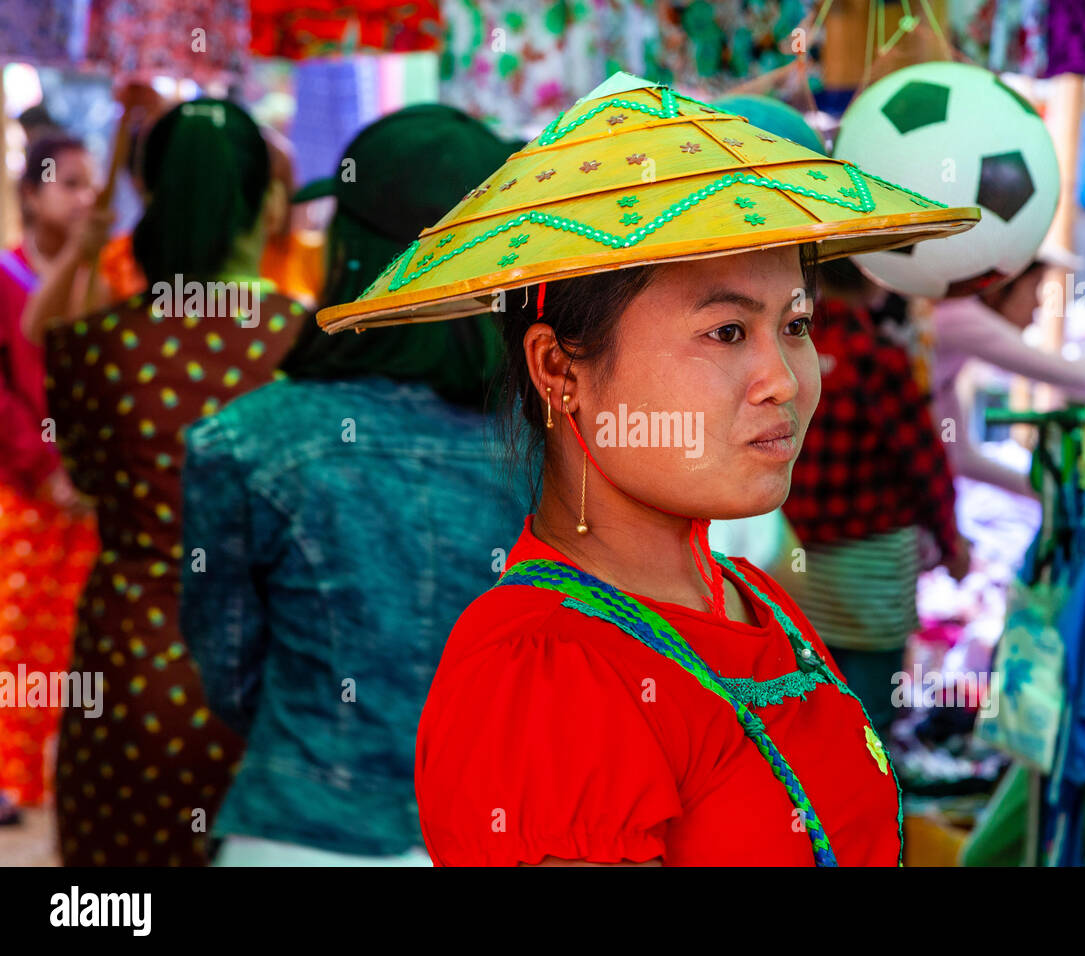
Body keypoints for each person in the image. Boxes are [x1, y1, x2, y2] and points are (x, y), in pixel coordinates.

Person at [316, 72, 979, 865]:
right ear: (560, 370)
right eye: (728, 332)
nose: (788, 379)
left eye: (795, 323)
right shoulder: (547, 677)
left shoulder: (756, 599)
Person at [179, 104, 528, 866]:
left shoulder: (243, 441)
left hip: (298, 832)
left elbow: (231, 676)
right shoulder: (562, 452)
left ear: (351, 251)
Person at [33, 98, 306, 866]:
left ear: (148, 198)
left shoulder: (95, 348)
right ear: (270, 202)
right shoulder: (311, 345)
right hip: (275, 675)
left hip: (129, 671)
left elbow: (84, 479)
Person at [784, 255, 969, 736]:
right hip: (873, 571)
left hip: (798, 565)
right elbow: (923, 463)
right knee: (868, 726)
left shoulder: (791, 354)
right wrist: (952, 544)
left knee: (813, 712)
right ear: (877, 281)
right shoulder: (876, 357)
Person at [0, 135, 100, 824]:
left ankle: (62, 775)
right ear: (32, 194)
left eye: (92, 184)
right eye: (70, 183)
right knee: (13, 637)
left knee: (74, 637)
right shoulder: (6, 279)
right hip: (21, 490)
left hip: (85, 493)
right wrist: (42, 466)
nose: (85, 197)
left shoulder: (101, 283)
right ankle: (12, 778)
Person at [931, 247, 1085, 497]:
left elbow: (959, 457)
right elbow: (1070, 375)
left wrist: (1048, 494)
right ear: (1003, 284)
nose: (1038, 304)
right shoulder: (958, 317)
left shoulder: (952, 338)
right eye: (1035, 286)